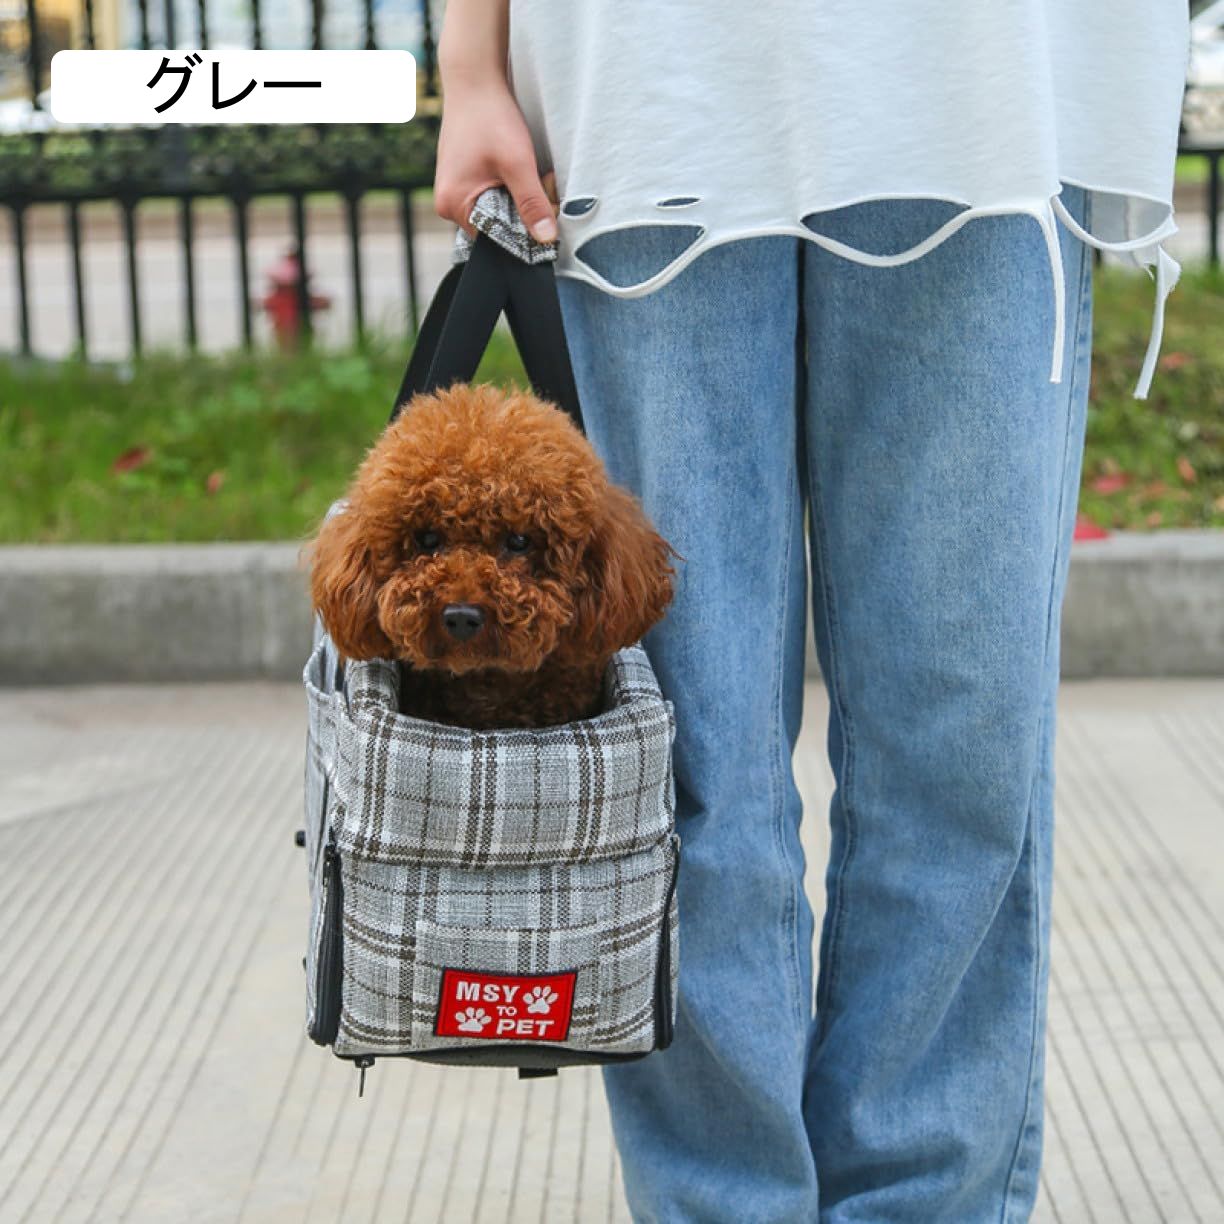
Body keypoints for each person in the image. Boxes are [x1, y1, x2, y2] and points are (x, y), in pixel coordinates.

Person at [432, 3, 1188, 1220]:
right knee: (687, 761)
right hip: (650, 91)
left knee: (963, 757)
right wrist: (469, 62)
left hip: (986, 96)